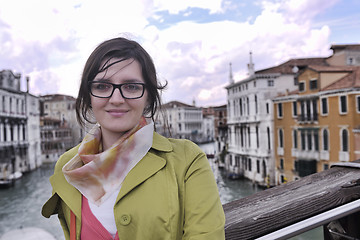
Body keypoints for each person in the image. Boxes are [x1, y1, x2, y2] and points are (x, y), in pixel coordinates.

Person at [42, 37, 225, 240]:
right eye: (102, 86)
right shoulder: (67, 166)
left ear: (148, 96)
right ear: (89, 95)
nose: (116, 99)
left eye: (131, 87)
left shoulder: (187, 160)